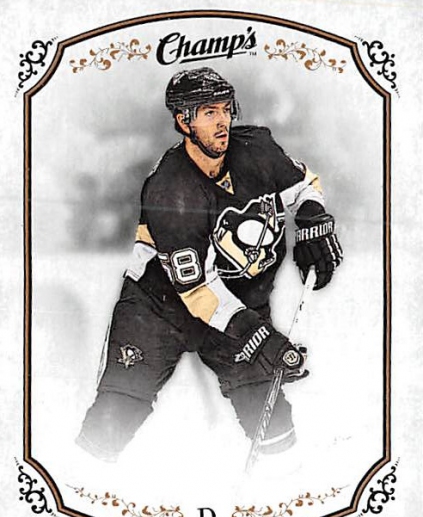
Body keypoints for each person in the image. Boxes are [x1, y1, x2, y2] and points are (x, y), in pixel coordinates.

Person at [76, 67, 343, 467]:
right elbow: (198, 291)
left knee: (270, 416)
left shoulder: (257, 147)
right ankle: (79, 488)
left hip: (237, 299)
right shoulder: (169, 189)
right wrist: (259, 337)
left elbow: (304, 184)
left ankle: (281, 496)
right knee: (116, 413)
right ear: (184, 121)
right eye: (208, 112)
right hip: (158, 308)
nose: (222, 122)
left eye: (226, 109)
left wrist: (311, 218)